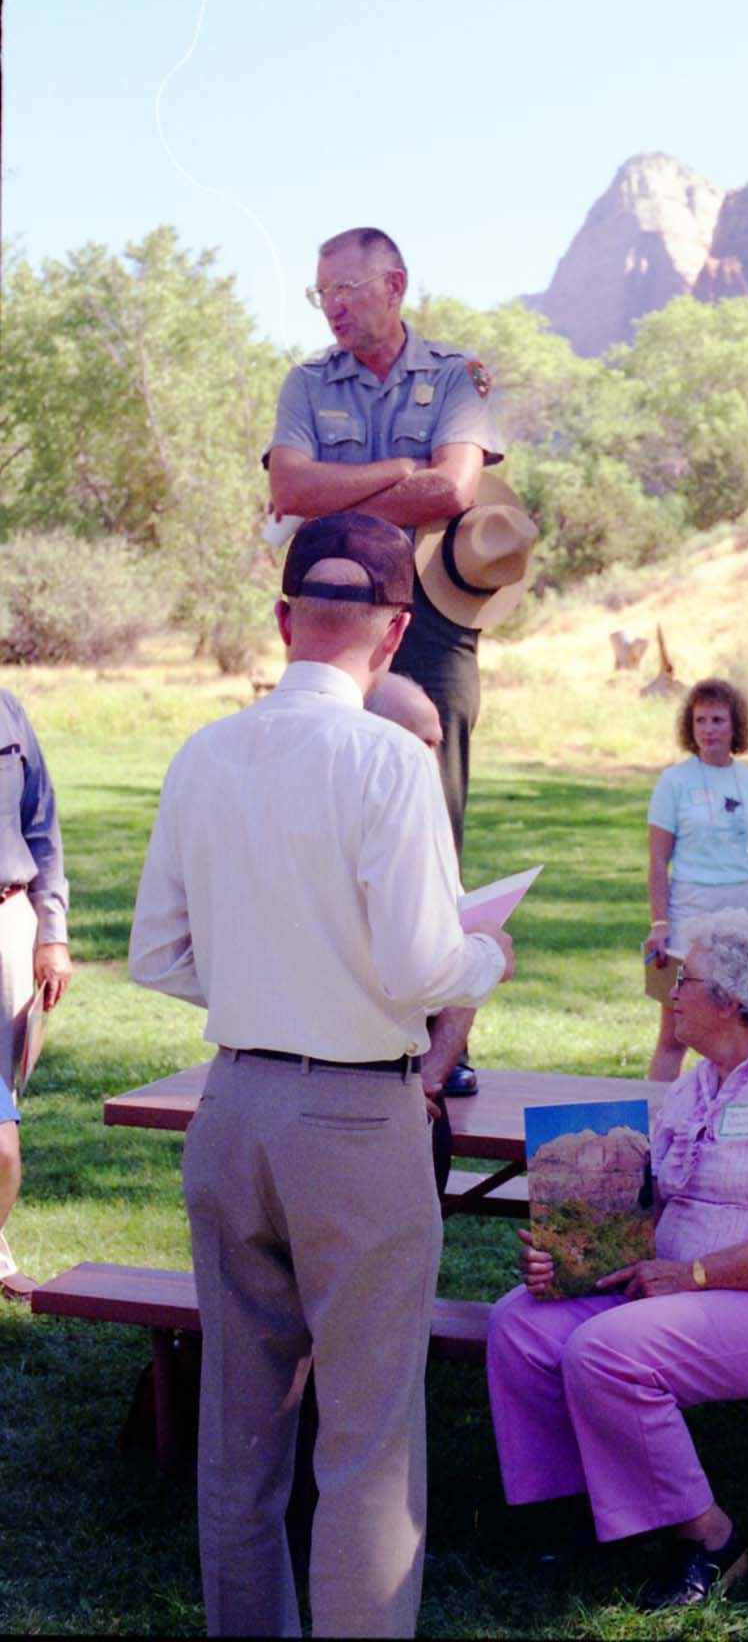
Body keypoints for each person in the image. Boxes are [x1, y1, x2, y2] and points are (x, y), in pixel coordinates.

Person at [129, 513, 514, 1639]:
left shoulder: (204, 751)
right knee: (367, 1440)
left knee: (240, 1434)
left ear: (287, 615)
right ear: (396, 634)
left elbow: (159, 951)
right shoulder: (390, 757)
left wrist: (270, 981)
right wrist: (485, 950)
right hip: (354, 1114)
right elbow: (417, 963)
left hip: (233, 1100)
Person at [487, 908, 748, 1611]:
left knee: (608, 1351)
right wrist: (569, 1260)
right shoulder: (698, 1082)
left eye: (683, 980)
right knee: (520, 1320)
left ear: (727, 1001)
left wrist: (691, 1275)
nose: (669, 993)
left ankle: (710, 1538)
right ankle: (580, 1514)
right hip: (683, 1287)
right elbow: (651, 1210)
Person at [265, 225, 534, 1096]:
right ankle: (331, 1017)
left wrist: (349, 492)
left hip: (438, 625)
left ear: (395, 284)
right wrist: (395, 471)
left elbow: (455, 489)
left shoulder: (457, 375)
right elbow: (289, 490)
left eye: (346, 289)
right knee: (321, 810)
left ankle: (436, 1042)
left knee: (435, 828)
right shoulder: (307, 382)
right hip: (335, 623)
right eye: (322, 294)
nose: (334, 307)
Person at [643, 679, 748, 1080]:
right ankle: (658, 1124)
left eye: (718, 719)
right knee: (675, 1034)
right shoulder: (674, 782)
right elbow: (656, 859)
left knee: (746, 1028)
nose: (709, 729)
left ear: (736, 726)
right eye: (700, 720)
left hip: (742, 919)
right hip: (688, 917)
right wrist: (659, 924)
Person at [0, 689, 73, 1299]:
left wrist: (52, 935)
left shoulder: (7, 710)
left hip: (9, 919)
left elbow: (41, 827)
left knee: (7, 1104)